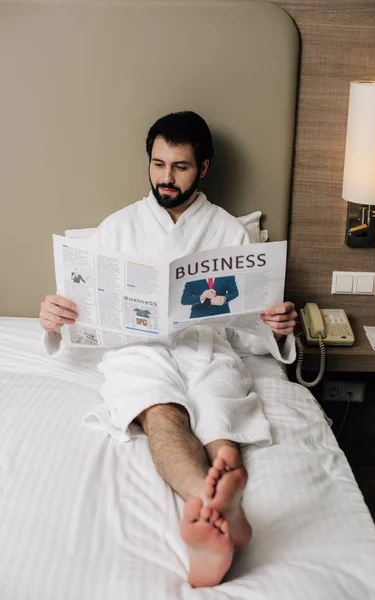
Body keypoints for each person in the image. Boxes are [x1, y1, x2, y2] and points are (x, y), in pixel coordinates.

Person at [39, 111, 297, 588]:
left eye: (179, 167)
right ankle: (210, 501)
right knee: (161, 411)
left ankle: (219, 501)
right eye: (158, 165)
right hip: (138, 349)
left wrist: (275, 326)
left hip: (206, 347)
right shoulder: (116, 228)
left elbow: (245, 334)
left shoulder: (228, 232)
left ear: (202, 168)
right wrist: (56, 317)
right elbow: (85, 314)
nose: (165, 178)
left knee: (220, 406)